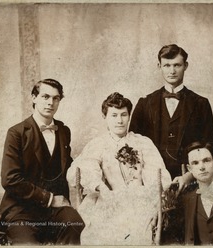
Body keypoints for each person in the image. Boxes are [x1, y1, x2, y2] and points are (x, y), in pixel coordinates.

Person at [66, 92, 172, 245]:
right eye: (114, 115)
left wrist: (149, 194)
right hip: (109, 199)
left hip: (139, 199)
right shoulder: (98, 144)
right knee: (98, 232)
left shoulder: (143, 142)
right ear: (105, 117)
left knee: (137, 232)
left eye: (124, 115)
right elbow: (81, 169)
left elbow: (158, 174)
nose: (119, 121)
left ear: (129, 116)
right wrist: (100, 187)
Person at [0, 79, 85, 245]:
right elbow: (10, 179)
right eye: (45, 97)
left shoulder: (63, 131)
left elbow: (67, 167)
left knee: (76, 225)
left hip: (54, 211)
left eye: (56, 98)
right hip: (21, 211)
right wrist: (50, 199)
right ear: (34, 98)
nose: (50, 103)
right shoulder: (16, 133)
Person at [129, 44, 213, 181]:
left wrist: (189, 176)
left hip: (190, 180)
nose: (172, 71)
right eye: (167, 65)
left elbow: (211, 146)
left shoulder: (201, 104)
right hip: (152, 180)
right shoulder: (145, 103)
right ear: (159, 66)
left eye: (177, 65)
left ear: (186, 66)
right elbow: (132, 145)